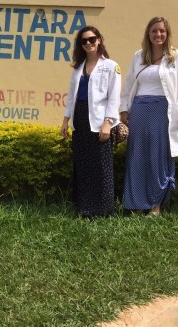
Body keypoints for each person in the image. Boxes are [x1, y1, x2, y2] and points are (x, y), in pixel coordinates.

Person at [119, 17, 178, 215]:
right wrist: (124, 110)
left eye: (162, 31)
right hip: (139, 111)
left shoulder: (177, 57)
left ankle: (155, 205)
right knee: (137, 158)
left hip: (163, 112)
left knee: (158, 157)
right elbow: (128, 86)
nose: (158, 34)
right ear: (148, 34)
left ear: (167, 33)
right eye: (154, 31)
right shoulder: (138, 56)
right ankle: (136, 204)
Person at [61, 26, 121, 218]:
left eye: (92, 39)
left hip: (99, 119)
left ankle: (104, 209)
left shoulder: (111, 66)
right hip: (80, 116)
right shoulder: (78, 68)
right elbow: (71, 96)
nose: (88, 43)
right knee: (83, 162)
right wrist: (65, 120)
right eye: (84, 41)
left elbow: (114, 97)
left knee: (101, 165)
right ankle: (85, 207)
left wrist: (108, 122)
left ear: (99, 40)